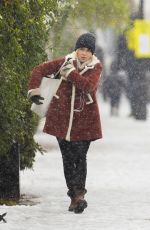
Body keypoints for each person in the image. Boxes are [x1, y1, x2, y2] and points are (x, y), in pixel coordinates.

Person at [28, 32, 103, 214]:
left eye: (87, 50)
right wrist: (35, 91)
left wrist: (70, 73)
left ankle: (80, 195)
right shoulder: (64, 61)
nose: (83, 53)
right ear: (76, 49)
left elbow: (88, 86)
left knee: (80, 157)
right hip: (61, 118)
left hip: (86, 120)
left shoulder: (96, 66)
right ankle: (74, 196)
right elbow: (38, 70)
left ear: (92, 52)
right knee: (68, 160)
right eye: (80, 49)